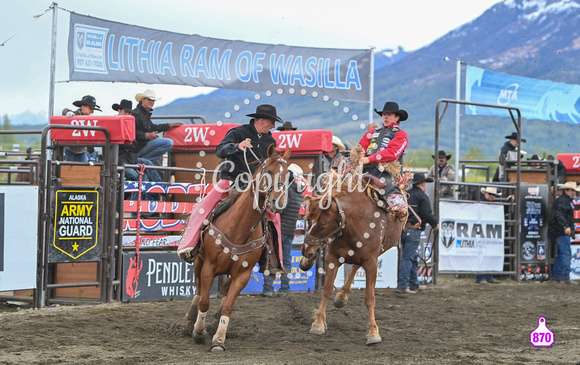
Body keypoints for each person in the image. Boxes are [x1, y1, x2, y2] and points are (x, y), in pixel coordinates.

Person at [177, 104, 284, 262]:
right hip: (231, 180)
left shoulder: (270, 140)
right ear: (261, 120)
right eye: (272, 122)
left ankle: (273, 259)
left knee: (274, 217)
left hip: (255, 188)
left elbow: (272, 164)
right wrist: (237, 146)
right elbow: (220, 150)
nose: (274, 126)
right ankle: (190, 246)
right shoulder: (238, 132)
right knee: (202, 207)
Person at [353, 101, 408, 212]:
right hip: (365, 169)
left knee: (392, 191)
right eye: (384, 114)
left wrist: (368, 159)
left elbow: (392, 153)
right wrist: (359, 155)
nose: (385, 117)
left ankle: (400, 213)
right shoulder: (372, 132)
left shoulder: (400, 134)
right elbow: (360, 147)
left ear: (396, 118)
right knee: (345, 185)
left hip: (386, 171)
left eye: (389, 115)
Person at [262, 163, 307, 298]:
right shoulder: (298, 190)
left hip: (278, 229)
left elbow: (278, 207)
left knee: (271, 257)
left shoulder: (285, 189)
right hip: (290, 229)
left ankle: (268, 288)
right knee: (286, 258)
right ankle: (285, 288)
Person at [396, 172, 439, 294]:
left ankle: (414, 284)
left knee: (412, 256)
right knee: (409, 257)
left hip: (404, 230)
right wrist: (435, 224)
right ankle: (403, 285)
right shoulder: (422, 196)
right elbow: (427, 213)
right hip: (414, 230)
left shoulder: (407, 195)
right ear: (423, 183)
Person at [114, 99, 162, 204]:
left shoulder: (129, 124)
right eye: (125, 112)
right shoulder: (114, 124)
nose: (127, 114)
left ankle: (161, 186)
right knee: (137, 176)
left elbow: (133, 141)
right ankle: (128, 202)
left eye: (129, 113)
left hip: (128, 157)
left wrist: (128, 145)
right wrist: (128, 145)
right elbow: (115, 145)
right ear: (119, 110)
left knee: (147, 165)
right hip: (116, 160)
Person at [131, 89, 183, 166]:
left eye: (153, 100)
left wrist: (169, 125)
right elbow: (131, 132)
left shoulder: (143, 113)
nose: (152, 102)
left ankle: (143, 161)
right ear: (143, 100)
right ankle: (143, 161)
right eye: (149, 99)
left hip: (142, 145)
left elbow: (153, 127)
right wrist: (146, 135)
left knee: (161, 151)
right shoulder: (136, 113)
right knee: (168, 143)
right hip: (138, 146)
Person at [548, 181, 579, 285]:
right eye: (572, 190)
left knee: (561, 253)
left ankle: (557, 276)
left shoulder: (562, 200)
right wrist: (565, 226)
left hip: (557, 230)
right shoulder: (564, 201)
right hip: (561, 230)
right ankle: (564, 276)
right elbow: (559, 214)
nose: (574, 192)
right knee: (565, 253)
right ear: (566, 191)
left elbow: (558, 214)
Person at [474, 186, 502, 284]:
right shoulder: (482, 204)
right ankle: (480, 277)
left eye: (493, 195)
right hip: (484, 232)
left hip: (489, 232)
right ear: (485, 193)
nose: (491, 196)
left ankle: (488, 276)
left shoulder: (490, 205)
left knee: (488, 254)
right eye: (490, 194)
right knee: (482, 254)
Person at [61, 95, 101, 162]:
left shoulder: (91, 120)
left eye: (93, 109)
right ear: (83, 107)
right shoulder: (74, 115)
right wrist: (68, 113)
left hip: (82, 149)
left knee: (83, 169)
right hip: (70, 148)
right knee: (70, 168)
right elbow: (65, 111)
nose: (92, 111)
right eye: (90, 108)